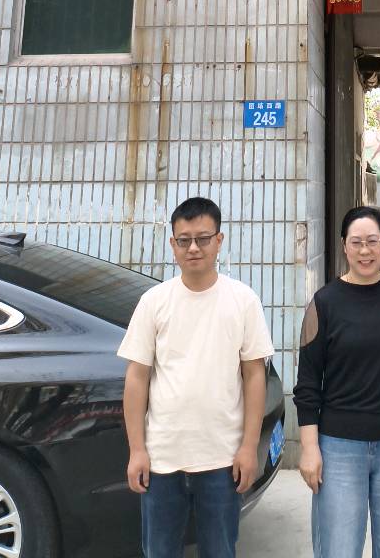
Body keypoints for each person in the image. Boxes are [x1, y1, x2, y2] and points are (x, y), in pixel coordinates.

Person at [118, 196, 275, 558]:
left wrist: (249, 447)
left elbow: (254, 376)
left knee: (220, 550)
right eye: (184, 240)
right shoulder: (154, 301)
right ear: (172, 244)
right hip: (161, 458)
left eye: (203, 239)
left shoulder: (243, 300)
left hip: (222, 458)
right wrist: (137, 450)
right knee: (159, 551)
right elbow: (137, 377)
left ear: (219, 241)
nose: (193, 248)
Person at [294, 206, 380, 558]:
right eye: (356, 242)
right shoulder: (324, 302)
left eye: (372, 241)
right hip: (338, 447)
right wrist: (309, 448)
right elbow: (307, 384)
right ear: (344, 246)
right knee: (338, 549)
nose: (365, 251)